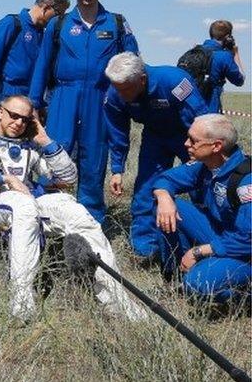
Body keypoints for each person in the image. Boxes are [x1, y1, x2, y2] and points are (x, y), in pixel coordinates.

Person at [0, 95, 145, 321]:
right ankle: (22, 302)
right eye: (14, 116)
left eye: (26, 120)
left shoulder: (28, 148)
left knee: (74, 210)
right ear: (0, 112)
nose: (19, 123)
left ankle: (116, 302)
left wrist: (45, 140)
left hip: (27, 201)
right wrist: (5, 179)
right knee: (23, 206)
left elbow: (68, 176)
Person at [28, 0, 139, 224]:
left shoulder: (116, 23)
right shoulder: (59, 24)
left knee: (94, 160)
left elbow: (132, 61)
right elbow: (42, 64)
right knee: (54, 157)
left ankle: (91, 224)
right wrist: (34, 102)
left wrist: (128, 99)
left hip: (100, 99)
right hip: (64, 97)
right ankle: (48, 220)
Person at [104, 52, 209, 258]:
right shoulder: (116, 92)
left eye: (126, 90)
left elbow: (200, 119)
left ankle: (204, 241)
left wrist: (201, 153)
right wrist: (117, 169)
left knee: (202, 186)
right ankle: (145, 249)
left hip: (189, 136)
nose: (121, 95)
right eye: (118, 89)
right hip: (155, 137)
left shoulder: (175, 81)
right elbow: (117, 132)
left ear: (142, 79)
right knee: (146, 189)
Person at [149, 114, 250, 303]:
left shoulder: (246, 182)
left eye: (194, 141)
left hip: (243, 251)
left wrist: (198, 252)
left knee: (197, 285)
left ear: (216, 146)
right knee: (165, 205)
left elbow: (247, 240)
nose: (186, 143)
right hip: (221, 234)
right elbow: (166, 179)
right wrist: (163, 196)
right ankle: (174, 274)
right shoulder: (207, 165)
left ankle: (245, 293)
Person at [0, 0, 70, 99]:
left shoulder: (44, 35)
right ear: (46, 8)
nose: (58, 20)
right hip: (7, 96)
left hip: (30, 99)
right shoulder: (11, 24)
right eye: (58, 14)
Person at [200, 20, 245, 113]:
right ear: (228, 37)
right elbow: (240, 80)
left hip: (189, 111)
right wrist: (235, 53)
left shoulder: (194, 52)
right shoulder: (224, 56)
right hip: (210, 109)